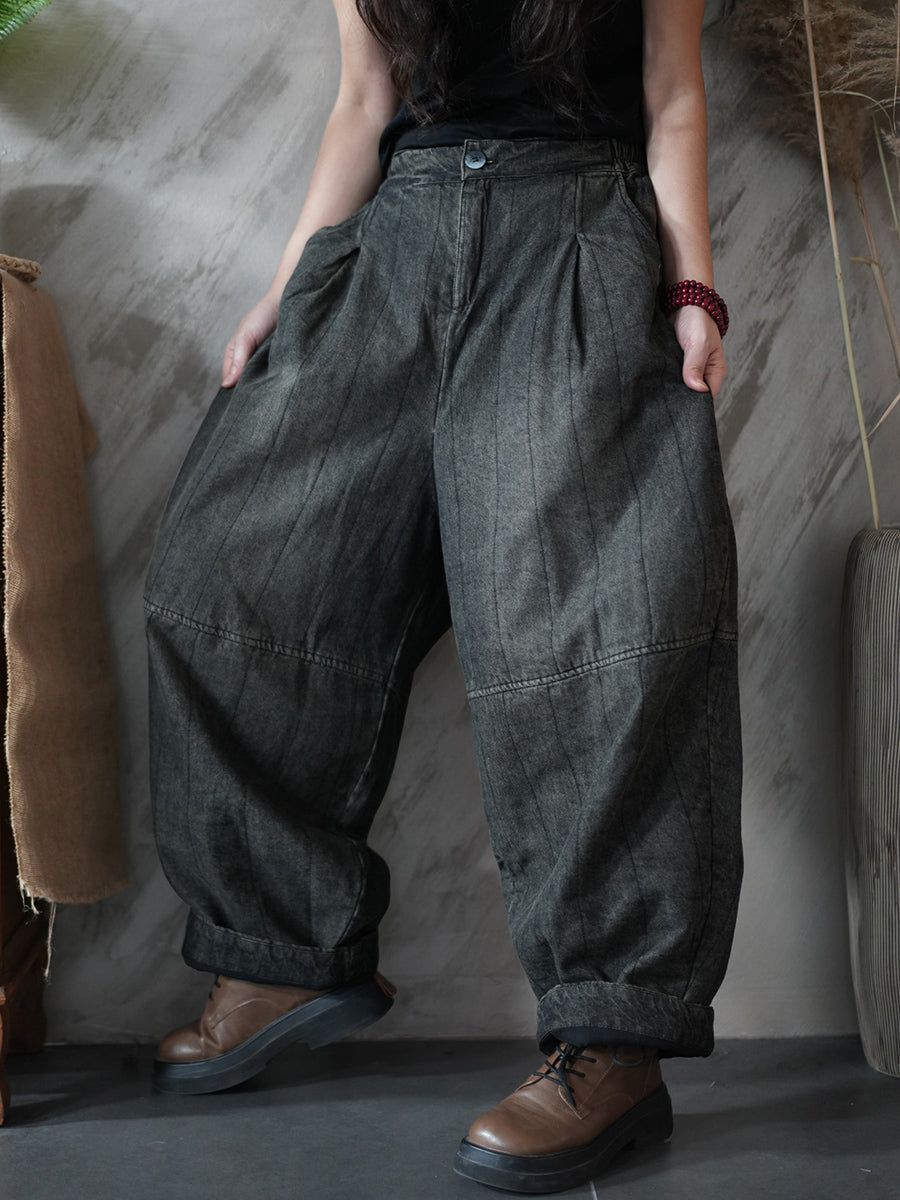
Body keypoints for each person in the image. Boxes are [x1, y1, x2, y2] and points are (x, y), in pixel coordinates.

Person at [142, 0, 743, 1191]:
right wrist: (285, 290)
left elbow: (673, 93)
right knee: (227, 577)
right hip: (393, 244)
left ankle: (613, 1034)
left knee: (593, 629)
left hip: (577, 232)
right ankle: (278, 951)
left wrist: (694, 289)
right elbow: (364, 101)